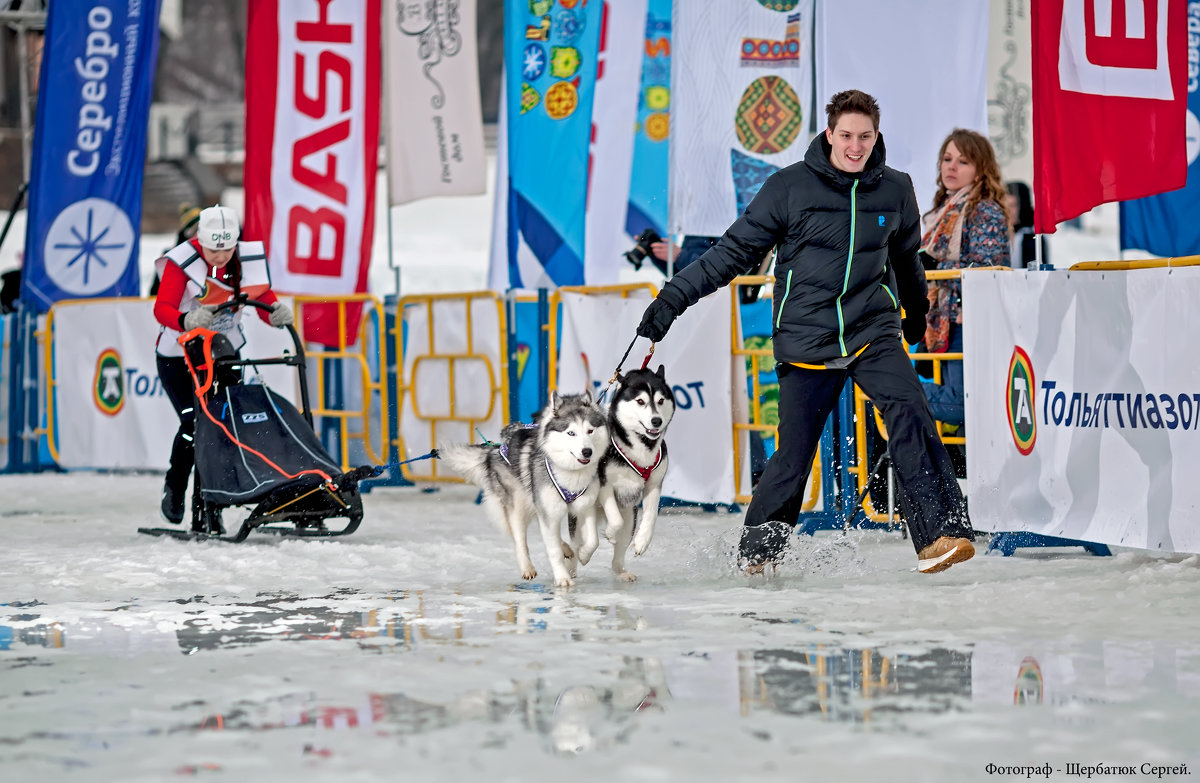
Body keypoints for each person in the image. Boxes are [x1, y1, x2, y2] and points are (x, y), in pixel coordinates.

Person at [636, 89, 975, 575]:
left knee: (909, 411)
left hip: (871, 329)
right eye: (846, 136)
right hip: (806, 336)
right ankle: (758, 557)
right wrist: (670, 300)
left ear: (876, 136)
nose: (855, 146)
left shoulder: (896, 189)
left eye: (865, 136)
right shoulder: (789, 188)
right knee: (793, 459)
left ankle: (938, 534)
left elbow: (905, 259)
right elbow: (731, 253)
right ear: (829, 133)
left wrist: (916, 311)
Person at [152, 204, 294, 527]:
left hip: (222, 353)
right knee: (194, 423)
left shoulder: (243, 258)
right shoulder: (182, 262)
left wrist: (274, 311)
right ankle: (175, 487)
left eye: (227, 249)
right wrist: (185, 318)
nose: (220, 257)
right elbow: (162, 308)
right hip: (179, 356)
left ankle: (212, 503)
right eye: (214, 250)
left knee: (223, 425)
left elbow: (260, 296)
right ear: (201, 242)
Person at [918, 129, 1011, 428]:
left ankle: (897, 393)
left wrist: (935, 263)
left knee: (964, 403)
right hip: (944, 319)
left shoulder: (984, 210)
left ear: (980, 168)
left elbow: (989, 265)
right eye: (947, 159)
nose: (951, 167)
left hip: (971, 319)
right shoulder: (941, 211)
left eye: (963, 161)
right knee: (966, 412)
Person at [149, 204, 202, 296]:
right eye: (197, 230)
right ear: (188, 234)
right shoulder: (171, 258)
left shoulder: (219, 253)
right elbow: (155, 294)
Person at [1004, 181, 1047, 270]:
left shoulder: (1032, 236)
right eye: (1005, 206)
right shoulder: (1000, 231)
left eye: (1013, 205)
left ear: (1023, 205)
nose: (1008, 211)